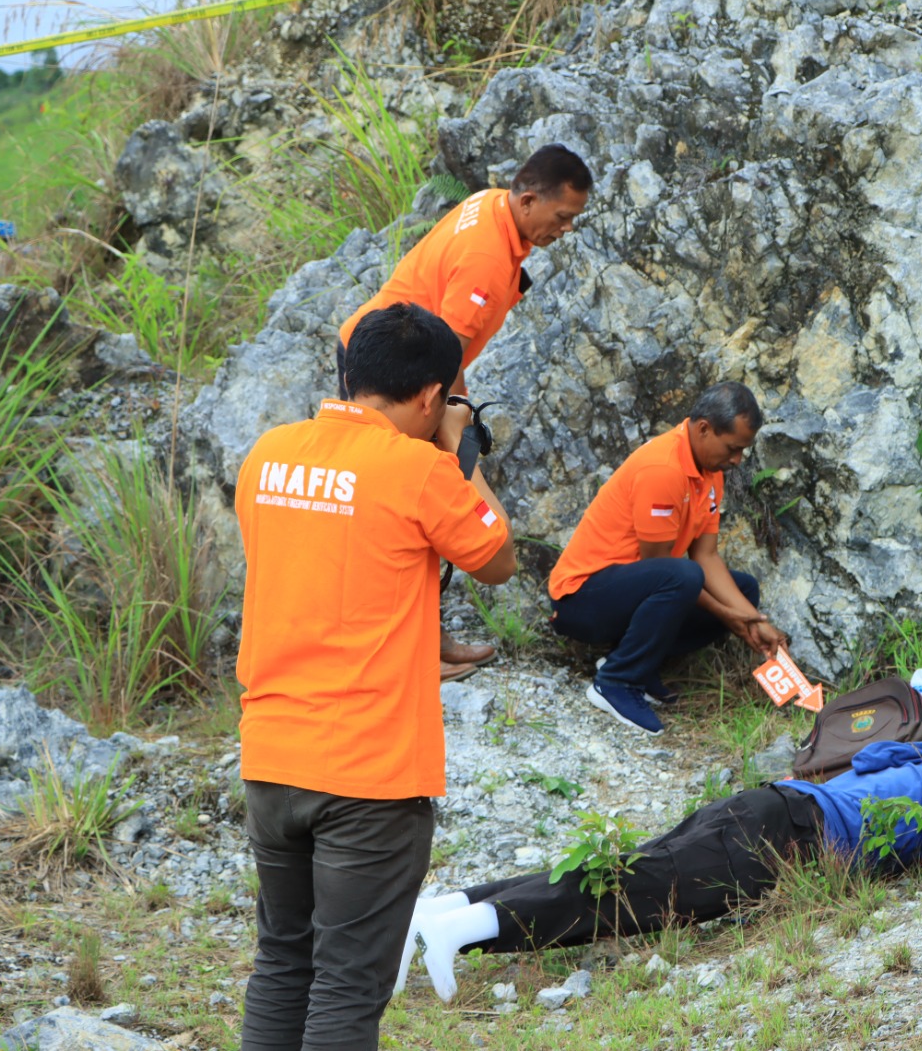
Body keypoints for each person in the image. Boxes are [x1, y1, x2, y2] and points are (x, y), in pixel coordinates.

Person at [233, 302, 517, 1050]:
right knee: (348, 985)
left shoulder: (268, 455)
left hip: (272, 756)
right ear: (431, 396)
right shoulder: (418, 469)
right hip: (368, 774)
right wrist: (460, 450)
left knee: (282, 961)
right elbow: (497, 558)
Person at [395, 743, 922, 1002]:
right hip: (785, 840)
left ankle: (447, 908)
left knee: (620, 872)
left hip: (768, 803)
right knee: (631, 896)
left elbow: (867, 755)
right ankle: (465, 927)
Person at [337, 144, 594, 683]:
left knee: (421, 506)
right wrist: (454, 421)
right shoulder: (487, 258)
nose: (567, 228)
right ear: (528, 200)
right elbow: (444, 354)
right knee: (405, 508)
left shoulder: (493, 204)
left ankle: (429, 637)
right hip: (393, 379)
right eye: (563, 216)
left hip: (395, 364)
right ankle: (410, 650)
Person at [547, 381, 787, 735]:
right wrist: (727, 615)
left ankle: (629, 660)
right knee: (683, 577)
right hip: (580, 599)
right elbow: (661, 570)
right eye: (733, 448)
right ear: (703, 429)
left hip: (634, 587)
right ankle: (616, 681)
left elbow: (706, 555)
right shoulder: (663, 469)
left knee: (744, 590)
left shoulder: (710, 471)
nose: (737, 460)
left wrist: (752, 618)